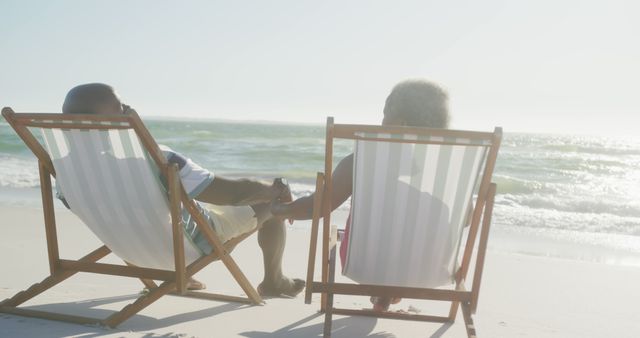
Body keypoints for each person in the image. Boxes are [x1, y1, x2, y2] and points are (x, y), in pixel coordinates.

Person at [59, 83, 305, 297]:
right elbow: (229, 193)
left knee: (189, 205)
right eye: (122, 106)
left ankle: (177, 277)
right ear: (114, 118)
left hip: (131, 249)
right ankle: (274, 281)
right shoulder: (157, 159)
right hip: (186, 248)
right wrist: (274, 189)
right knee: (272, 204)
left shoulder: (66, 171)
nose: (129, 109)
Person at [271, 79, 450, 310]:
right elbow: (464, 220)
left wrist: (280, 209)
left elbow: (317, 206)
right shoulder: (444, 169)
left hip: (366, 262)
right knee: (404, 229)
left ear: (402, 123)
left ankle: (383, 288)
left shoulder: (364, 161)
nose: (381, 121)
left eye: (385, 114)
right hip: (427, 266)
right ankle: (386, 294)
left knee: (378, 232)